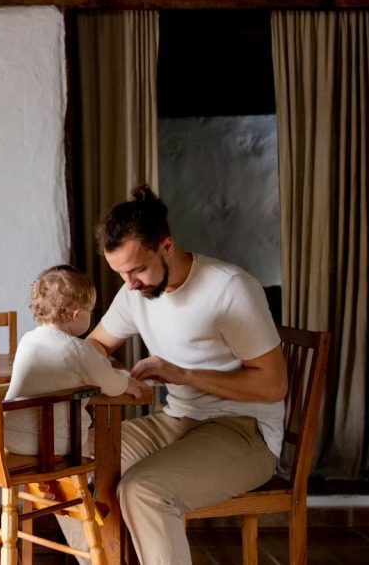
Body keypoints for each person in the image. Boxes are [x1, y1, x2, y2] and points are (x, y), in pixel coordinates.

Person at [75, 184, 288, 565]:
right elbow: (96, 345)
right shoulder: (133, 292)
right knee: (69, 465)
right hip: (177, 421)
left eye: (138, 268)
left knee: (143, 490)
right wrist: (102, 373)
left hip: (245, 429)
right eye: (121, 273)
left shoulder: (229, 289)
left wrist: (184, 375)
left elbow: (273, 385)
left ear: (167, 245)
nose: (130, 284)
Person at [3, 264, 144, 457]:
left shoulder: (27, 340)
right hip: (52, 442)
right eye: (91, 311)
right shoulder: (77, 349)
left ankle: (49, 481)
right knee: (81, 440)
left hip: (10, 435)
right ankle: (86, 480)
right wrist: (127, 383)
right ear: (77, 315)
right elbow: (108, 381)